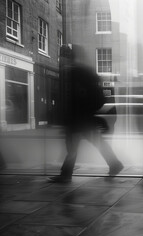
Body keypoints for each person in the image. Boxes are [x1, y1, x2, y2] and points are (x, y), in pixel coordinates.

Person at [47, 45, 123, 183]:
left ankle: (66, 175)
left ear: (66, 57)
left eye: (61, 57)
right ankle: (114, 164)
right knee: (93, 144)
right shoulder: (83, 71)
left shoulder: (74, 73)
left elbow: (72, 98)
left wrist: (72, 116)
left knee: (73, 147)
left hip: (78, 119)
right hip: (84, 118)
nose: (60, 60)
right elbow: (96, 97)